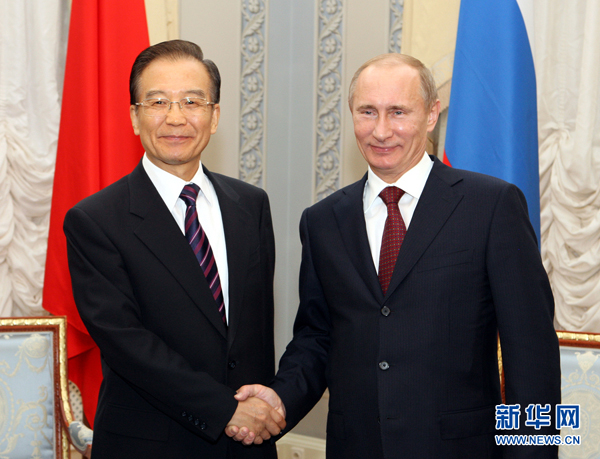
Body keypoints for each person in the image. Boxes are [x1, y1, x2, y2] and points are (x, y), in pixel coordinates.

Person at [230, 54, 561, 458]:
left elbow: (533, 358)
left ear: (431, 115)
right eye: (367, 112)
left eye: (398, 112)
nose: (381, 130)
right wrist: (279, 400)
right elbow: (317, 339)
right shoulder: (322, 222)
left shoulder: (491, 206)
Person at [64, 40, 284, 458]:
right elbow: (127, 345)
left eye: (192, 102)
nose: (176, 118)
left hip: (248, 445)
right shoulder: (95, 220)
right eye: (158, 102)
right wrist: (225, 411)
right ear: (134, 116)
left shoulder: (250, 205)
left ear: (215, 115)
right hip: (149, 444)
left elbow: (254, 331)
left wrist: (263, 407)